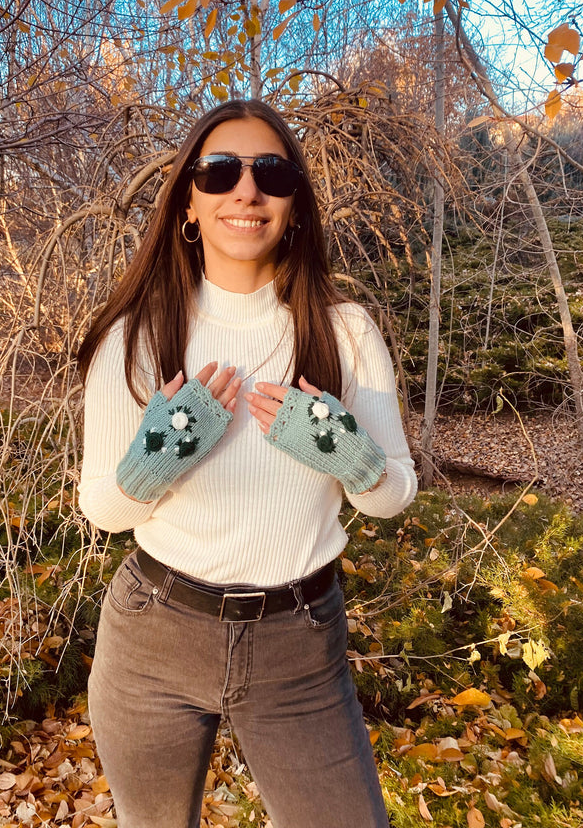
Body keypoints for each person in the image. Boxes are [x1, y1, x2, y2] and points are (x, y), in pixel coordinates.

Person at [76, 99, 417, 828]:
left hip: (299, 646)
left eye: (271, 172)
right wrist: (155, 460)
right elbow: (101, 507)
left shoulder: (345, 333)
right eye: (220, 171)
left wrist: (350, 457)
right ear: (189, 206)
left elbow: (395, 493)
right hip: (154, 636)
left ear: (295, 204)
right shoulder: (135, 338)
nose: (246, 189)